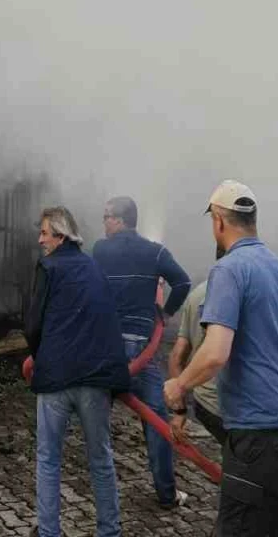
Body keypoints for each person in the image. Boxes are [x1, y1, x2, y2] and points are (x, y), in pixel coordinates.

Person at [164, 180, 278, 536]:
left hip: (260, 439)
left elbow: (216, 352)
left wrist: (179, 384)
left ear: (218, 221)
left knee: (236, 530)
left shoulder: (229, 270)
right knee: (271, 526)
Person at [25, 207, 129, 537]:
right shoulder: (93, 267)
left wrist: (37, 354)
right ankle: (109, 531)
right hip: (95, 380)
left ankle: (49, 532)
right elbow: (106, 318)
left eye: (44, 233)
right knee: (101, 459)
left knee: (48, 459)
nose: (40, 240)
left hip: (56, 379)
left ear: (60, 235)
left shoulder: (48, 266)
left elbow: (33, 322)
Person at [91, 195, 193, 509]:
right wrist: (164, 313)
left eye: (107, 216)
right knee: (157, 423)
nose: (104, 222)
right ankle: (167, 494)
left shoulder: (99, 250)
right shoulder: (155, 252)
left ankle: (103, 497)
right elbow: (183, 282)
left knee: (96, 424)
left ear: (121, 220)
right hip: (140, 355)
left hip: (106, 352)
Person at [168, 280, 226, 443]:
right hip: (234, 410)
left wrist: (179, 412)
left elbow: (177, 356)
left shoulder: (198, 293)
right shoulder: (248, 291)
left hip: (205, 403)